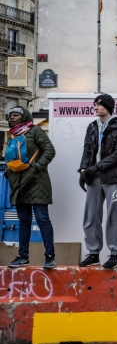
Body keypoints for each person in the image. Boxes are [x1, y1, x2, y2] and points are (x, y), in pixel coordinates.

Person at [78, 94, 117, 269]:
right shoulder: (92, 127)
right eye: (94, 105)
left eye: (99, 105)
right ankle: (93, 253)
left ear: (108, 107)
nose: (95, 107)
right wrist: (84, 170)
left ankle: (114, 255)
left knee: (113, 216)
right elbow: (87, 150)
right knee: (91, 215)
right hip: (94, 177)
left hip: (114, 177)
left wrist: (97, 167)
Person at [5, 107, 56, 269]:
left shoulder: (35, 132)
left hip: (37, 183)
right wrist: (8, 173)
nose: (12, 118)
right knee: (24, 222)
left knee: (42, 219)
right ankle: (23, 256)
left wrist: (37, 167)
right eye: (10, 116)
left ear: (24, 117)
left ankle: (49, 256)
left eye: (16, 115)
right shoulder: (13, 135)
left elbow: (50, 150)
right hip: (19, 184)